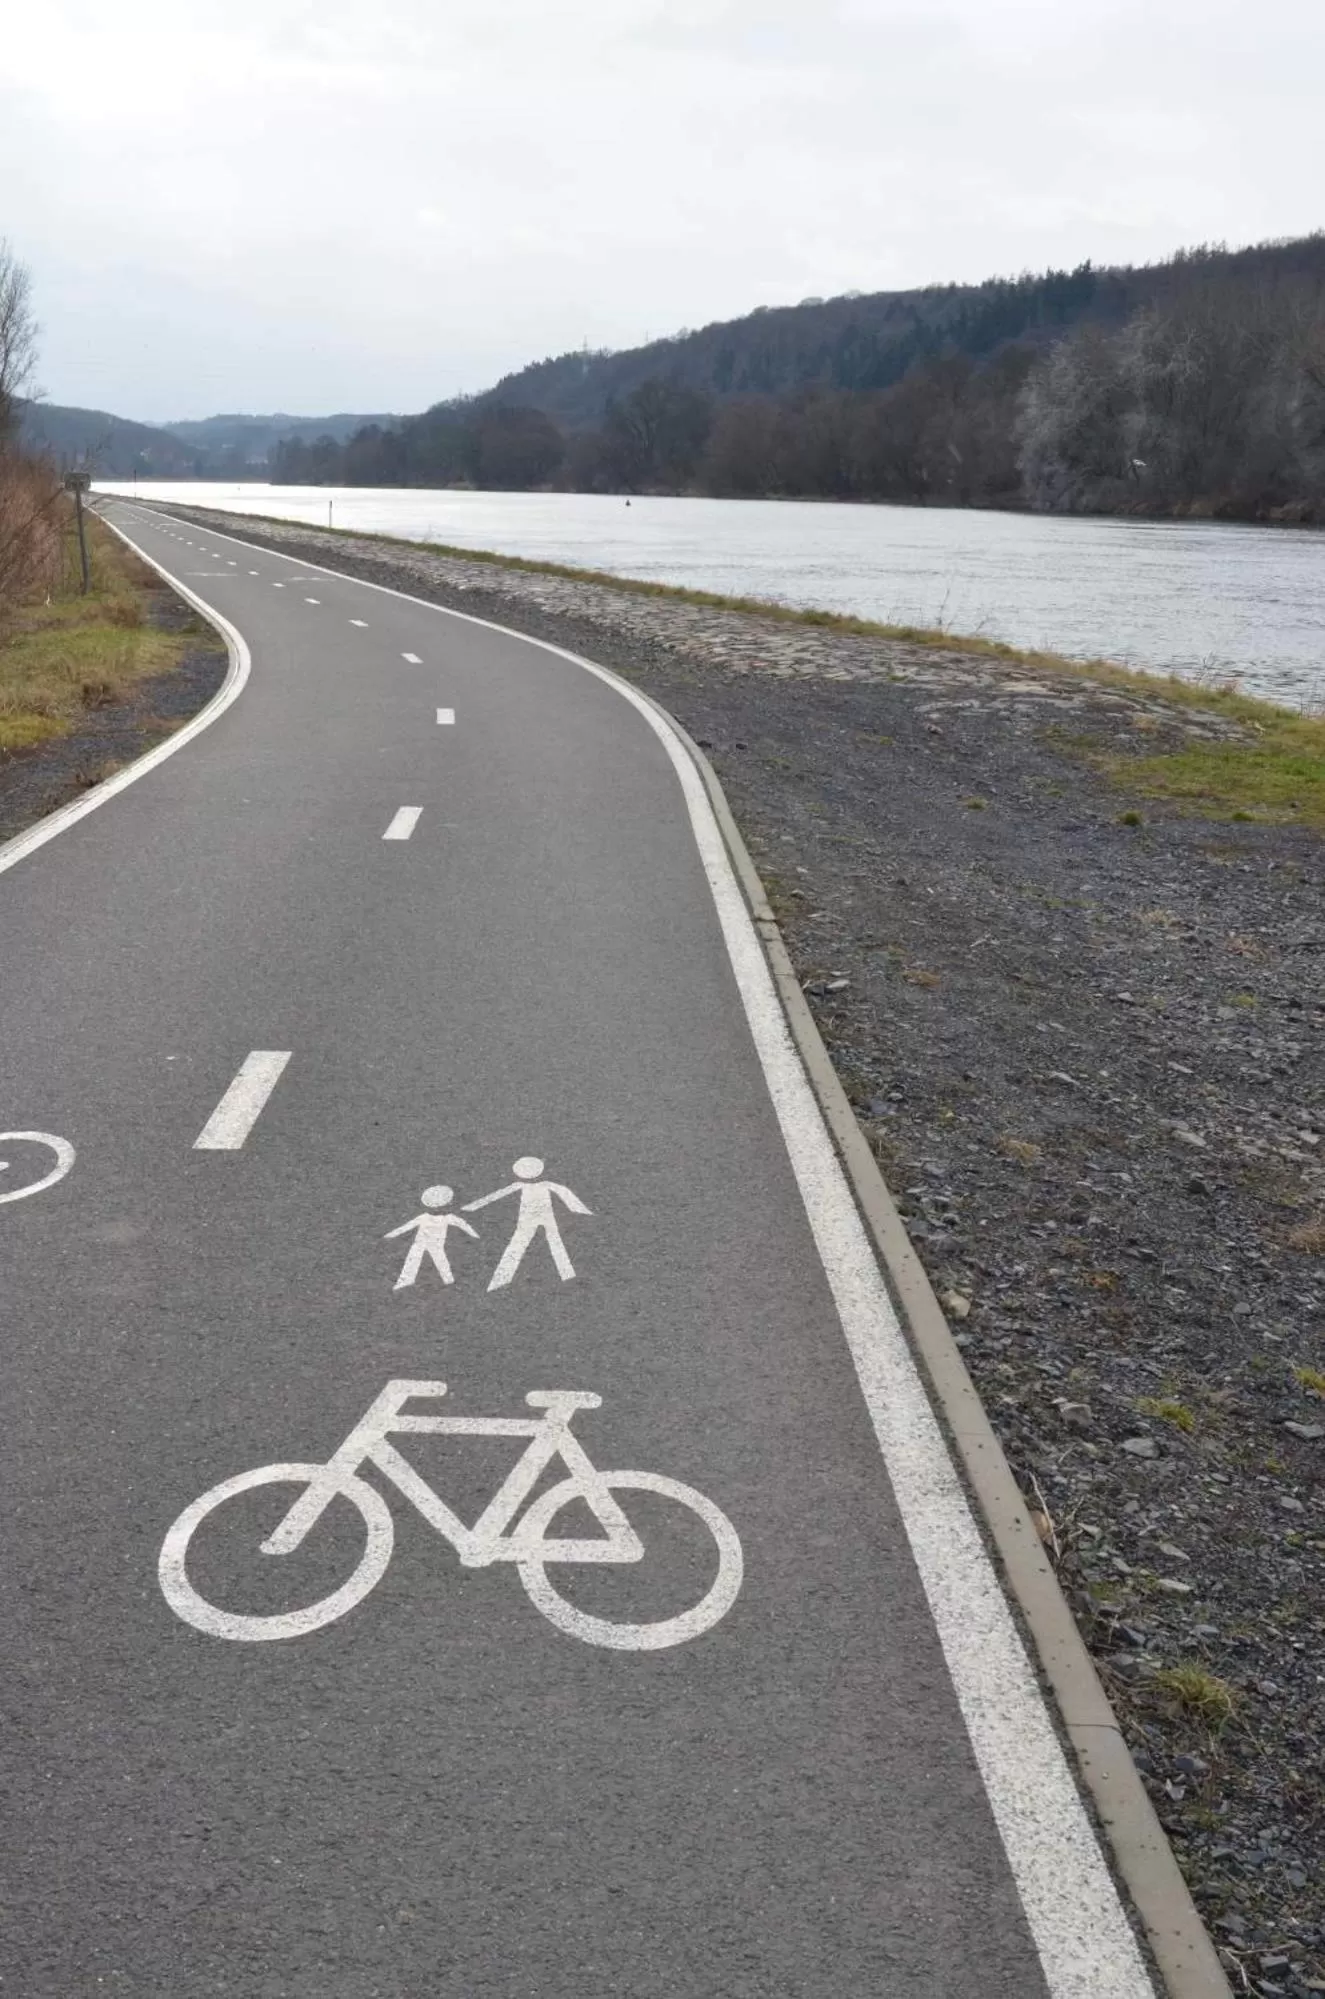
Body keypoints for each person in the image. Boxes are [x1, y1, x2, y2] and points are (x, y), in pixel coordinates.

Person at [463, 1157, 591, 1291]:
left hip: (531, 1219)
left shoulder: (527, 1185)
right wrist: (579, 1209)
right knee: (553, 1240)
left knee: (522, 1241)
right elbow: (565, 1194)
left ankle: (502, 1278)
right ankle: (567, 1273)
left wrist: (473, 1206)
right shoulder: (544, 1184)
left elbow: (496, 1195)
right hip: (541, 1218)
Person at [385, 1186, 478, 1290]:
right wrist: (474, 1235)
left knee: (433, 1260)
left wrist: (391, 1234)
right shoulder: (445, 1218)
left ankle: (446, 1279)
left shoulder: (430, 1217)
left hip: (428, 1243)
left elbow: (407, 1226)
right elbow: (463, 1224)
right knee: (423, 1260)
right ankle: (445, 1280)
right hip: (425, 1243)